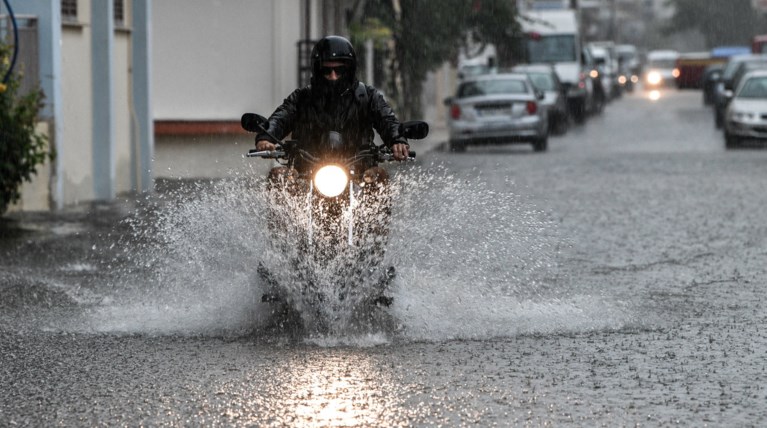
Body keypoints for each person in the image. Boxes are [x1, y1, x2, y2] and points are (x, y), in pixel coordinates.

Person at [255, 35, 410, 186]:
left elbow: (387, 119)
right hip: (305, 172)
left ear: (349, 70)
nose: (333, 76)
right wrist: (266, 136)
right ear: (317, 70)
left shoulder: (367, 97)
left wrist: (397, 139)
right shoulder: (302, 98)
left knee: (379, 176)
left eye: (339, 70)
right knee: (278, 176)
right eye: (326, 71)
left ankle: (373, 213)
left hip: (359, 171)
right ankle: (285, 213)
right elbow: (281, 117)